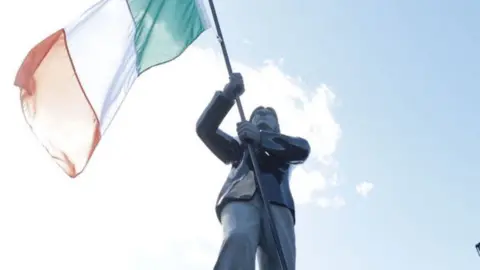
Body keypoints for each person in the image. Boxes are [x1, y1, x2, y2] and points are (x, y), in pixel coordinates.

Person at [196, 73, 311, 270]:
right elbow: (205, 129)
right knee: (238, 238)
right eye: (257, 115)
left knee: (280, 258)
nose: (263, 116)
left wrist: (261, 138)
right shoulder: (239, 148)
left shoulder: (284, 148)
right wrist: (227, 96)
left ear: (277, 127)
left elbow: (302, 149)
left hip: (277, 203)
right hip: (241, 198)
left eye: (269, 116)